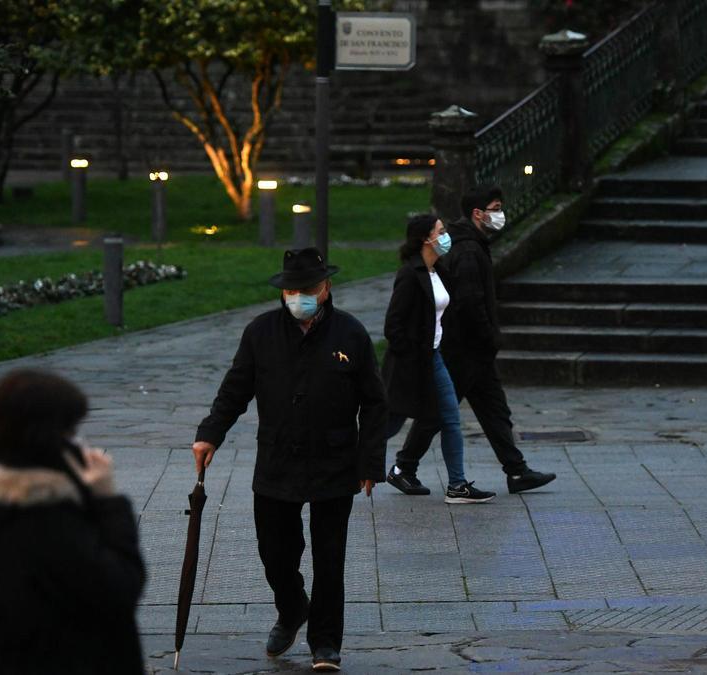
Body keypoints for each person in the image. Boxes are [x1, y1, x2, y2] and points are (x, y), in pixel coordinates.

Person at [192, 248, 386, 673]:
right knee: (276, 554)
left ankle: (325, 643)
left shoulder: (351, 334)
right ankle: (293, 606)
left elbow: (374, 403)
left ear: (326, 288)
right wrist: (210, 434)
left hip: (334, 462)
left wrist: (370, 463)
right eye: (291, 290)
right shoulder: (261, 332)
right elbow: (235, 389)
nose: (298, 297)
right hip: (277, 461)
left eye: (308, 290)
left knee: (329, 559)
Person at [0, 369, 146, 675]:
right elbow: (119, 586)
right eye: (71, 430)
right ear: (48, 435)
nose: (77, 440)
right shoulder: (44, 513)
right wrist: (107, 501)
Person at [386, 185, 556, 497]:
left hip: (473, 349)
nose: (500, 213)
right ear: (478, 213)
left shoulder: (469, 246)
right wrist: (487, 337)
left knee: (491, 409)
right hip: (463, 350)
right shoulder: (464, 252)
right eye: (495, 207)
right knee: (440, 415)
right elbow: (467, 303)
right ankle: (407, 467)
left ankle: (516, 471)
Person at [382, 213, 496, 505]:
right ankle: (345, 463)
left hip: (434, 358)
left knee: (450, 418)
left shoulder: (439, 271)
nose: (446, 236)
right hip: (413, 362)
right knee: (389, 422)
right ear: (426, 238)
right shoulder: (410, 274)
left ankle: (457, 485)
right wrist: (413, 356)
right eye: (441, 231)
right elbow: (393, 326)